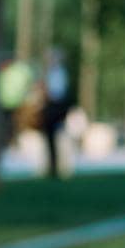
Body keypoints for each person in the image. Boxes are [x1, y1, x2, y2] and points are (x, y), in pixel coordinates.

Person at [39, 47, 72, 179]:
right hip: (52, 106)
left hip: (55, 107)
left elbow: (56, 93)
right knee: (50, 139)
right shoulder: (51, 73)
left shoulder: (58, 73)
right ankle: (52, 166)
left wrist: (45, 93)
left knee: (57, 137)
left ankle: (58, 167)